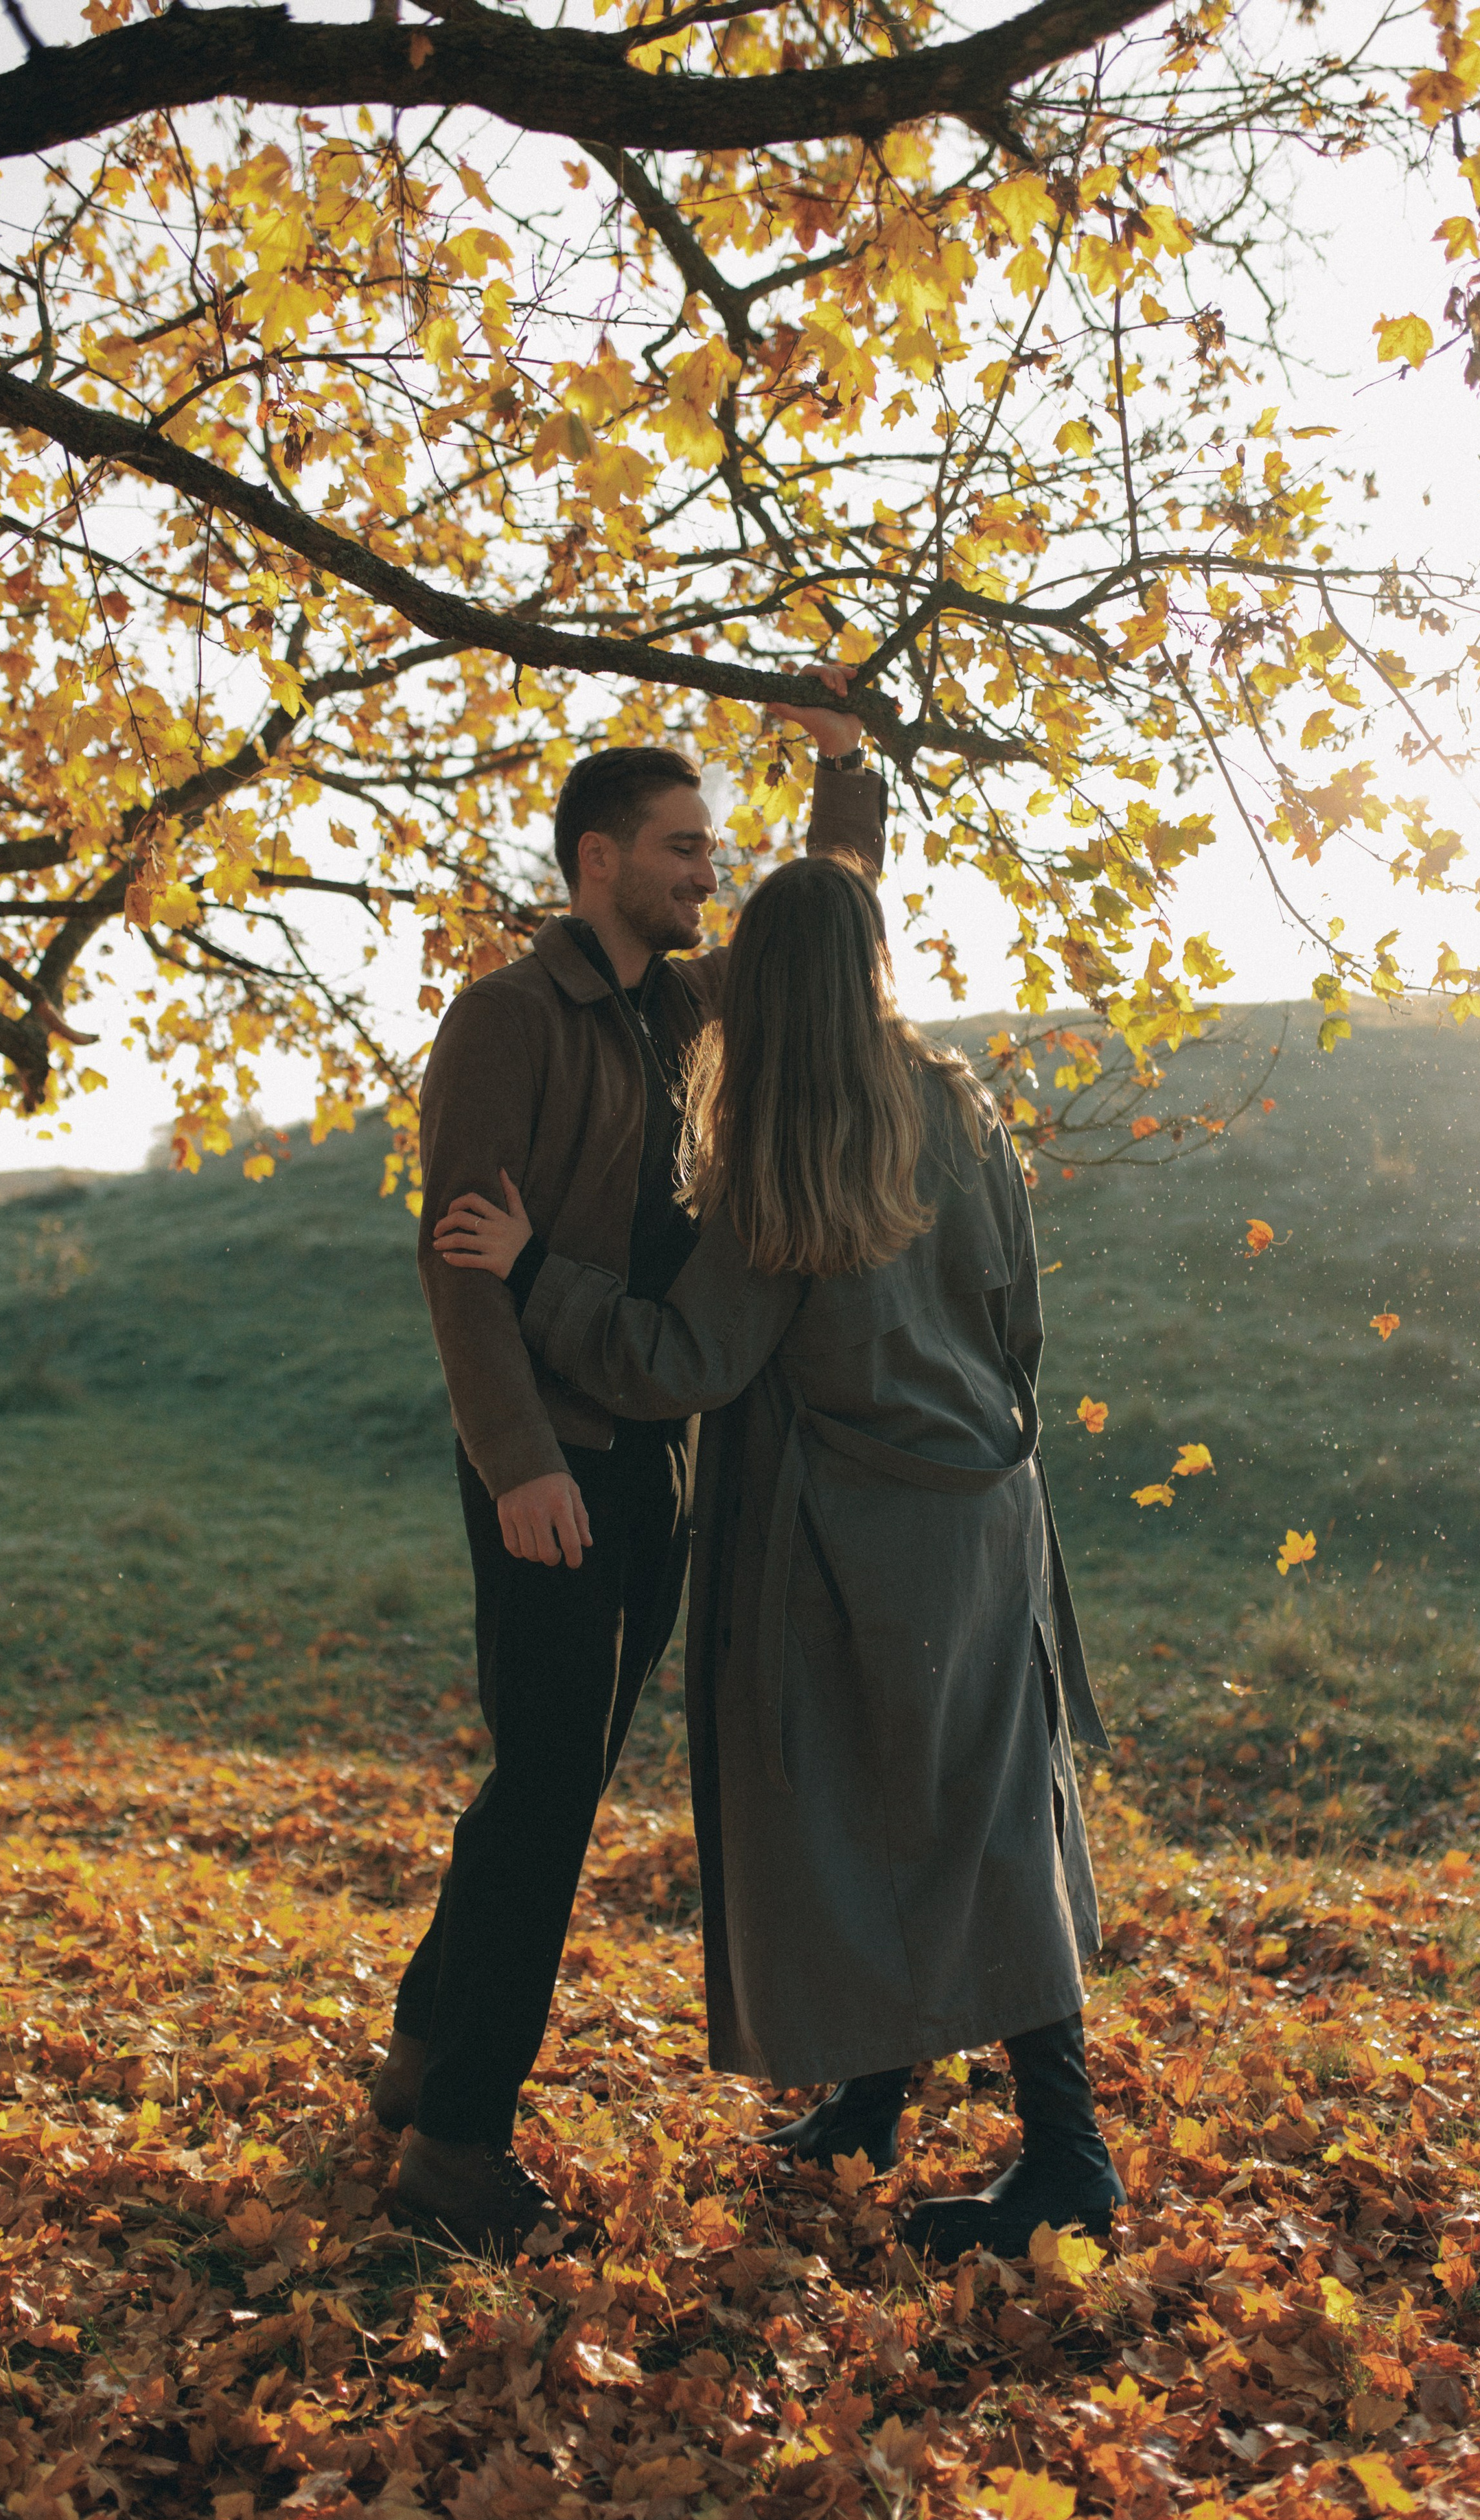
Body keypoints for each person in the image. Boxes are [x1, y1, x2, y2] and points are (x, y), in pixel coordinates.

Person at [437, 853, 1126, 2264]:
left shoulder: (778, 1150)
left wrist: (528, 1271)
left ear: (758, 990)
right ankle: (874, 2097)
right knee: (957, 1805)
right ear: (871, 963)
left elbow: (677, 1359)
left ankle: (1068, 2156)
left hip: (848, 1532)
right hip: (985, 1506)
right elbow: (1013, 1311)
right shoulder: (951, 1100)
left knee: (915, 1818)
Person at [376, 672, 886, 2256]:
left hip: (648, 1461)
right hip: (549, 1472)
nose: (701, 872)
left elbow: (816, 943)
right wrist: (517, 1462)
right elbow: (460, 1258)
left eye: (709, 849)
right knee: (542, 1797)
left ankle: (417, 2057)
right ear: (595, 859)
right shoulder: (507, 1018)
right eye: (678, 848)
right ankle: (456, 2146)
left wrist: (848, 774)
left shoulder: (681, 1006)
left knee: (556, 1781)